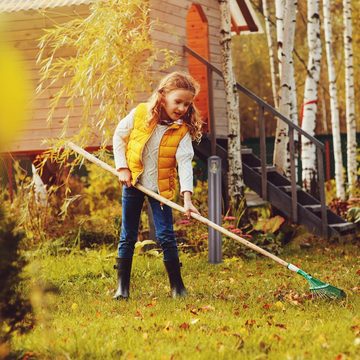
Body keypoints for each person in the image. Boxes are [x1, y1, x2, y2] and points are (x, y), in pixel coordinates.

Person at [112, 71, 203, 299]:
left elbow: (184, 163)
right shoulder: (141, 113)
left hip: (161, 190)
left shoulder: (182, 130)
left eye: (186, 104)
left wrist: (188, 199)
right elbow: (119, 137)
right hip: (133, 183)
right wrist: (122, 167)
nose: (182, 108)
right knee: (128, 235)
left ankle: (177, 288)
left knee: (166, 236)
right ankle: (122, 288)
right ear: (162, 96)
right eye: (177, 101)